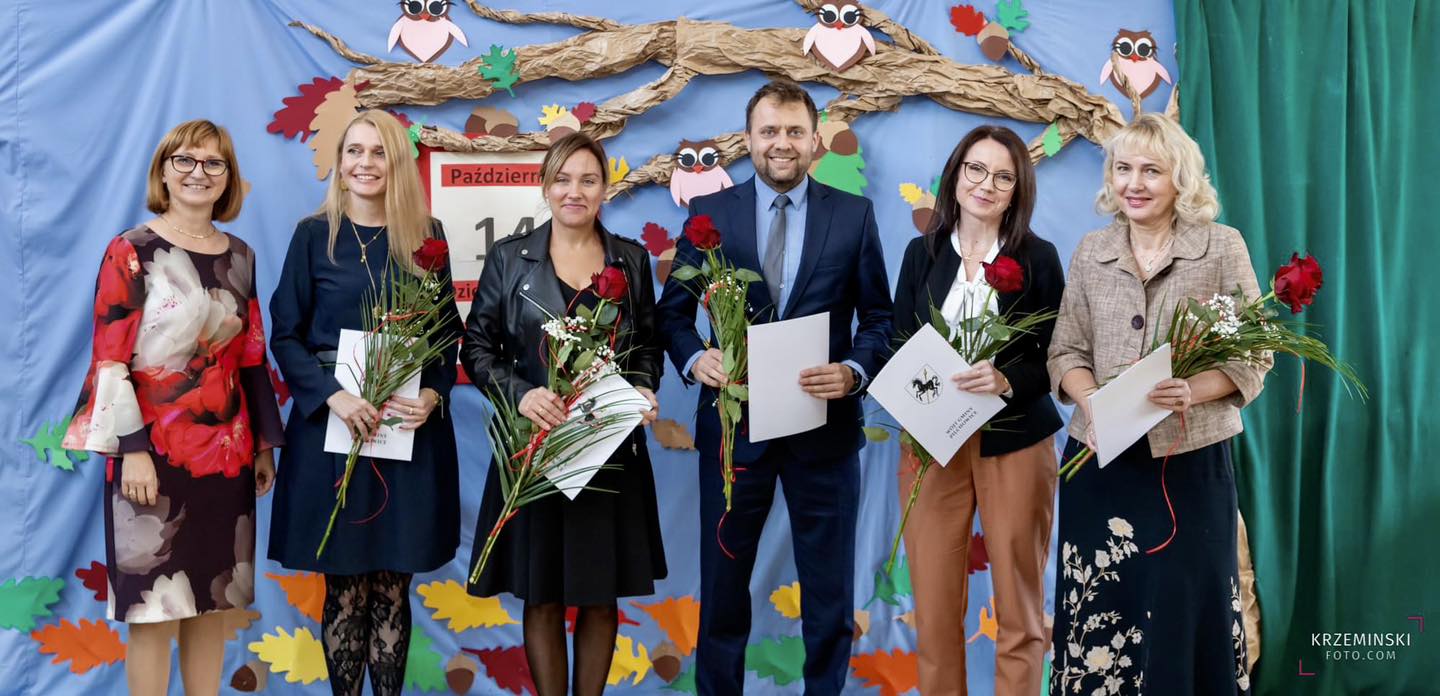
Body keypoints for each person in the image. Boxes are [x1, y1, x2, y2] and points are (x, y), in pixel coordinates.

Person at [655, 79, 893, 695]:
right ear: (748, 139)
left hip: (825, 434)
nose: (781, 143)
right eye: (769, 131)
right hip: (734, 436)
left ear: (815, 141)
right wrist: (695, 360)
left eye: (794, 131)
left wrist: (854, 371)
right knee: (723, 592)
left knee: (830, 598)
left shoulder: (854, 215)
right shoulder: (710, 216)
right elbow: (672, 315)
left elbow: (879, 319)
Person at [1046, 112, 1267, 695]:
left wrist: (1192, 391)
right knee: (1103, 607)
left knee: (1184, 609)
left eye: (1151, 170)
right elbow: (1064, 351)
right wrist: (1092, 401)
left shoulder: (1221, 246)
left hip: (1189, 467)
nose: (1134, 184)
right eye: (1123, 169)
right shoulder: (1091, 251)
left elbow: (1256, 352)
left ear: (1180, 179)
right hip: (1099, 466)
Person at [62, 119, 284, 696]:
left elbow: (251, 355)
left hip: (227, 458)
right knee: (153, 611)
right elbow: (110, 359)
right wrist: (132, 451)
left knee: (212, 604)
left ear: (228, 177)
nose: (197, 173)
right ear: (163, 171)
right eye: (184, 160)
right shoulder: (131, 250)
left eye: (213, 163)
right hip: (150, 457)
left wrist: (263, 444)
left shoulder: (241, 255)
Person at [461, 132, 666, 696]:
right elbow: (476, 348)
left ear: (605, 189)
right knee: (543, 595)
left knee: (601, 597)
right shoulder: (509, 258)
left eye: (588, 180)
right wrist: (520, 393)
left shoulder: (631, 259)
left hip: (609, 451)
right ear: (545, 186)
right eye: (563, 179)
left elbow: (647, 346)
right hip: (536, 449)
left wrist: (644, 387)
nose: (575, 191)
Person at [266, 110, 462, 696]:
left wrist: (433, 393)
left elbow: (445, 335)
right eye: (354, 151)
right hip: (334, 431)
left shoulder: (427, 237)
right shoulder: (314, 235)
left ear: (397, 162)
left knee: (393, 586)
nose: (365, 163)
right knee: (346, 586)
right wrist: (333, 395)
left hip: (406, 434)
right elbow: (285, 335)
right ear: (340, 161)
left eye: (378, 152)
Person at [889, 124, 1064, 695]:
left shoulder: (1038, 258)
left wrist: (1007, 379)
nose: (986, 184)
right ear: (956, 175)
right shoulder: (922, 254)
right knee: (935, 608)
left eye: (1003, 177)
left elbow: (1059, 357)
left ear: (1017, 191)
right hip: (931, 443)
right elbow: (897, 343)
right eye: (977, 169)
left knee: (1019, 605)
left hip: (1015, 442)